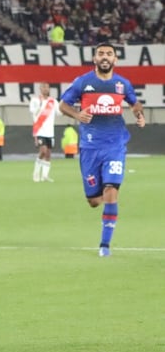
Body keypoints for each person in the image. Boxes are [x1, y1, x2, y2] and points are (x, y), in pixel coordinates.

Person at [58, 43, 144, 257]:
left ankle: (104, 245)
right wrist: (77, 115)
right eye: (101, 54)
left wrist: (138, 113)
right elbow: (62, 105)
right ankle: (104, 193)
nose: (105, 57)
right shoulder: (83, 82)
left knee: (111, 191)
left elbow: (134, 103)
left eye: (109, 54)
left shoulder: (122, 84)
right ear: (95, 59)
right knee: (94, 201)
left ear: (115, 59)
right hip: (89, 147)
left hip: (115, 145)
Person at [29, 83, 58, 182]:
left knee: (48, 154)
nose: (45, 89)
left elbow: (59, 112)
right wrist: (40, 105)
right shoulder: (35, 100)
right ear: (40, 89)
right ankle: (36, 173)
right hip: (40, 130)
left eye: (47, 87)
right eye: (43, 87)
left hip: (50, 132)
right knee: (43, 151)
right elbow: (33, 112)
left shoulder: (53, 101)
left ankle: (45, 175)